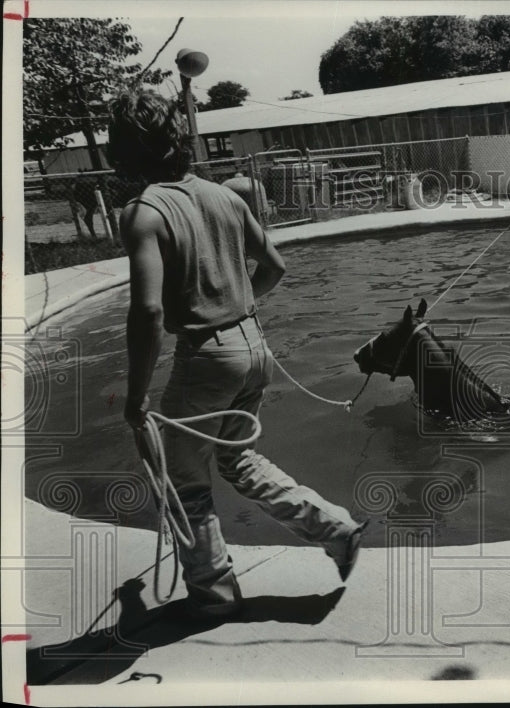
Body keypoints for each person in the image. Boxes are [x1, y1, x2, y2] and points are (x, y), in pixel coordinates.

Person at [109, 90, 364, 619]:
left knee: (181, 481)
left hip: (205, 357)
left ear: (127, 151)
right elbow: (274, 267)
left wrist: (136, 397)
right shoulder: (225, 196)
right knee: (237, 458)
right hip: (254, 347)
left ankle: (213, 596)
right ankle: (334, 529)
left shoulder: (142, 213)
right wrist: (235, 306)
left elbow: (149, 313)